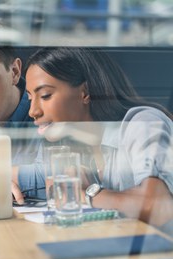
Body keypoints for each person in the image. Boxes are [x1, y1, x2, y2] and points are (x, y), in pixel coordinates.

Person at [15, 47, 173, 229]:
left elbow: (156, 206)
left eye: (45, 95)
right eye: (30, 98)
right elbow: (30, 177)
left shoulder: (142, 124)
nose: (33, 111)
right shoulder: (71, 144)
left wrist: (87, 194)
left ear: (85, 92)